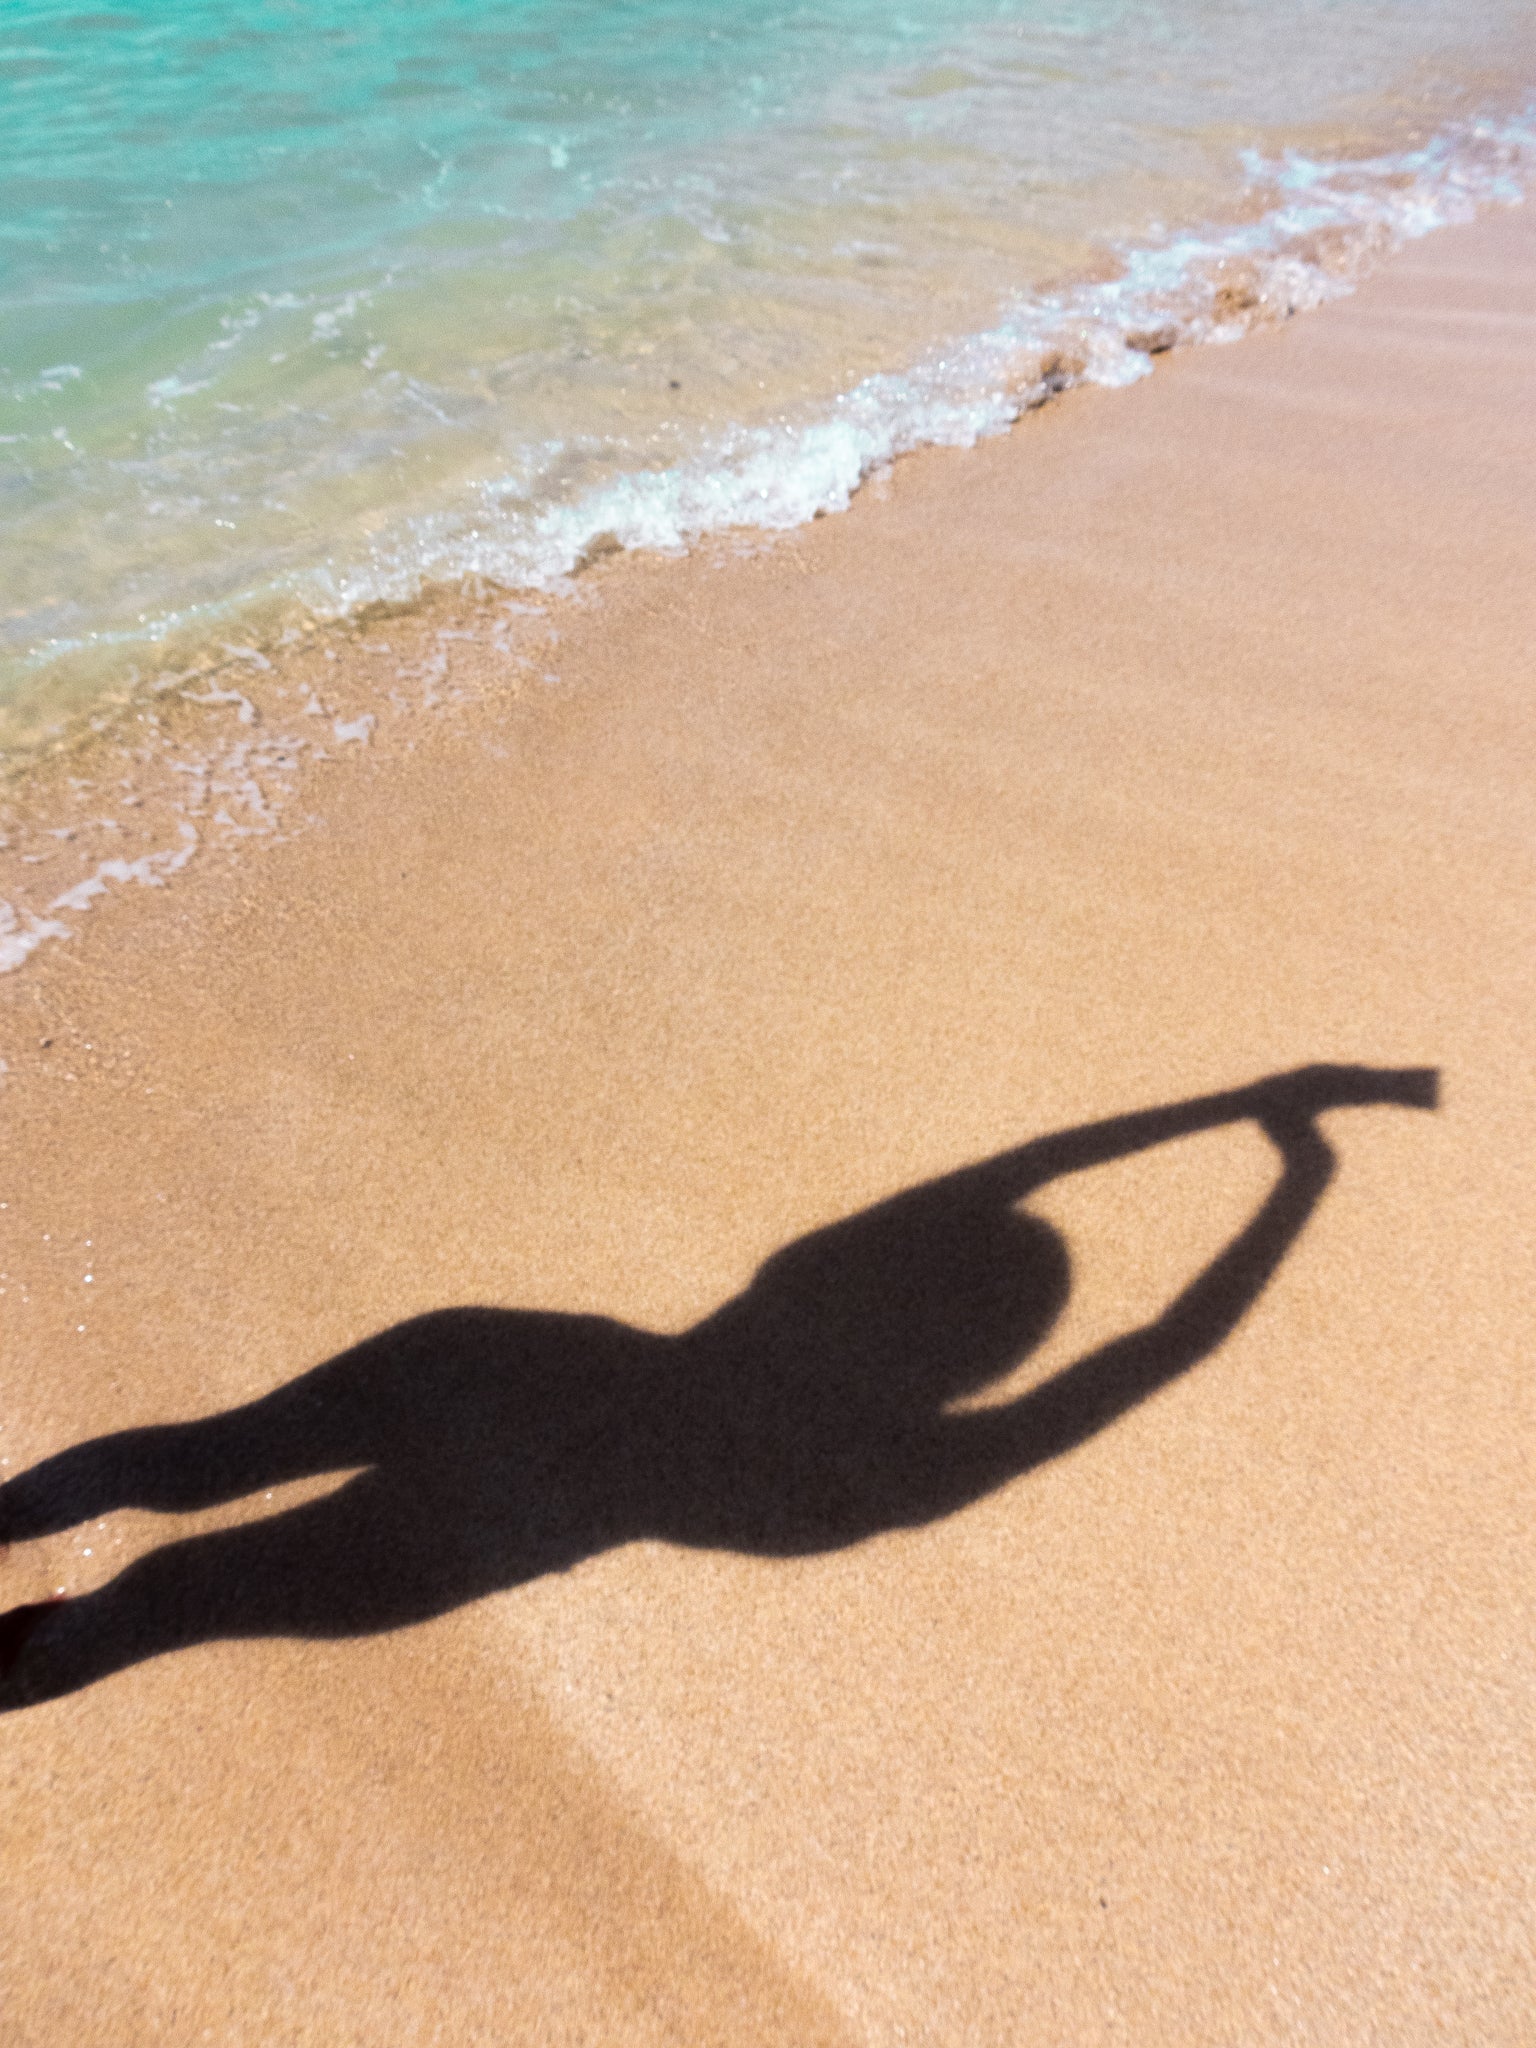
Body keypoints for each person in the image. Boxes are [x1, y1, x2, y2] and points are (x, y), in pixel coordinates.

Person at [0, 1062, 1436, 1704]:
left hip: (485, 1363)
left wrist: (1265, 1107)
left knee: (186, 1461)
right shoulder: (877, 1485)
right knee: (162, 1608)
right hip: (498, 1522)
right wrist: (1297, 1178)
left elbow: (1026, 1178)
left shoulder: (791, 1301)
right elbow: (1153, 1353)